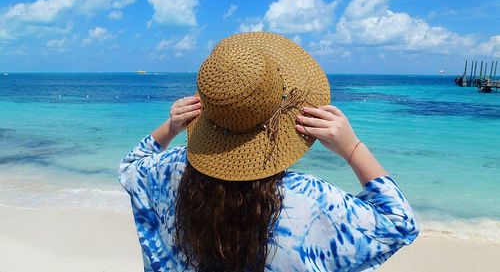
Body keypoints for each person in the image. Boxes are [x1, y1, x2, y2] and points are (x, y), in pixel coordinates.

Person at [119, 32, 419, 272]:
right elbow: (398, 223)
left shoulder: (163, 172)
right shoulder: (309, 201)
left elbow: (130, 164)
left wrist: (171, 127)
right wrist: (352, 148)